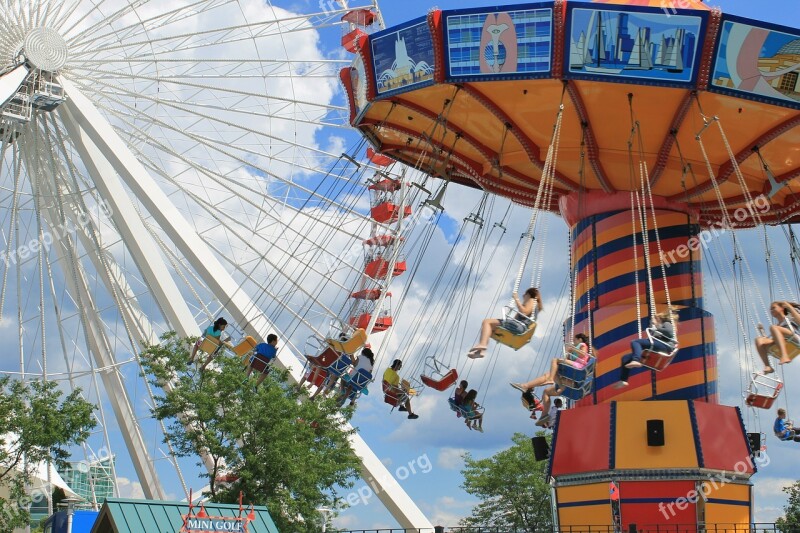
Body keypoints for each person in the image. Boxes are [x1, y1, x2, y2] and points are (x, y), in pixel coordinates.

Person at [468, 288, 543, 359]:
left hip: (520, 326)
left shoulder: (532, 300)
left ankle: (482, 345)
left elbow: (524, 312)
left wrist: (516, 299)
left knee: (487, 322)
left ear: (529, 295)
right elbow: (519, 316)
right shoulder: (532, 305)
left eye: (525, 294)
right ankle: (480, 351)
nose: (523, 296)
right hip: (519, 327)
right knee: (489, 330)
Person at [614, 311, 676, 388]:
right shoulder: (657, 329)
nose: (652, 323)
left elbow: (669, 332)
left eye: (653, 320)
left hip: (664, 346)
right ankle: (623, 380)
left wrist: (656, 328)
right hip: (658, 346)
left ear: (658, 319)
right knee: (625, 358)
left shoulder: (666, 323)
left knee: (635, 342)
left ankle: (636, 360)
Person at [510, 333, 591, 392]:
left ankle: (549, 380)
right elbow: (566, 360)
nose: (573, 342)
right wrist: (568, 353)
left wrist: (572, 349)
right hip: (574, 370)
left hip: (580, 366)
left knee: (554, 360)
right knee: (550, 373)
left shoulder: (582, 344)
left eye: (574, 340)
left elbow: (583, 354)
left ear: (580, 339)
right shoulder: (575, 349)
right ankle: (527, 386)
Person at [756, 301, 800, 374]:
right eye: (770, 310)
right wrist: (763, 333)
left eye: (773, 308)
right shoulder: (777, 326)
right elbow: (774, 339)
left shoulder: (790, 317)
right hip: (785, 340)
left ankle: (784, 355)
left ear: (782, 308)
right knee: (758, 340)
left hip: (794, 337)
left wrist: (788, 306)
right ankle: (768, 366)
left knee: (773, 328)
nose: (771, 310)